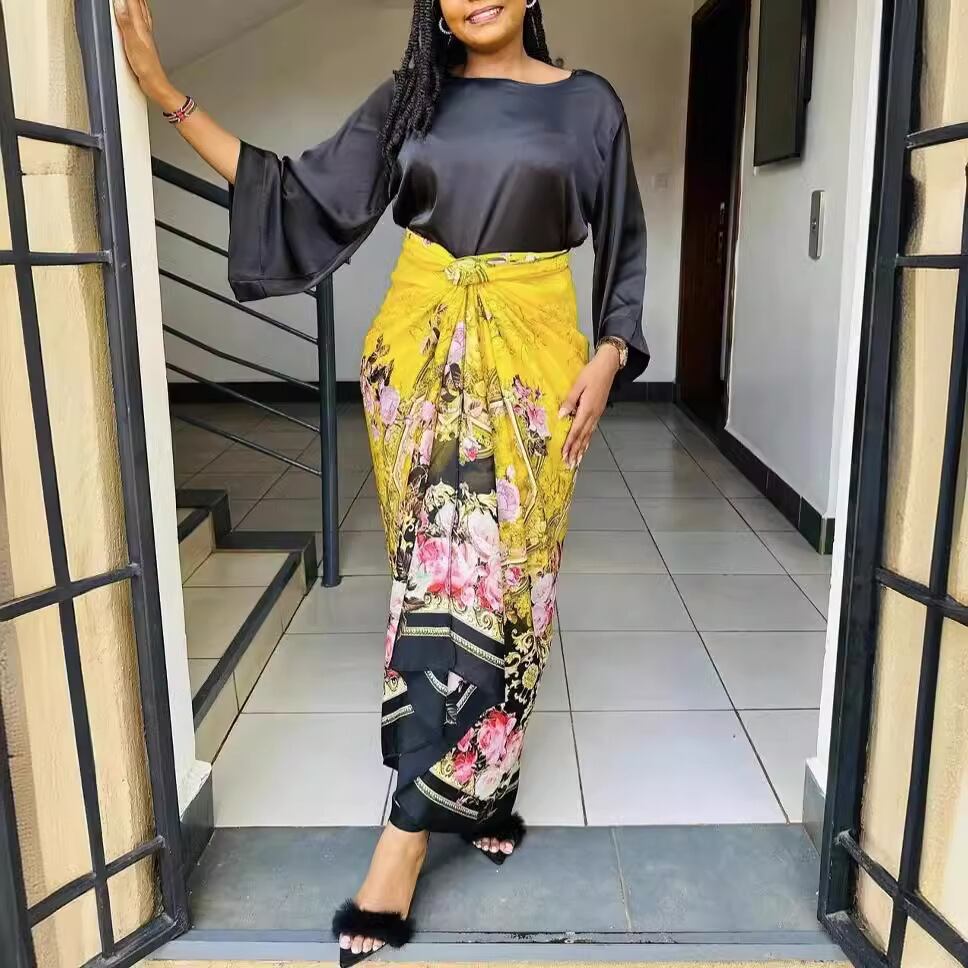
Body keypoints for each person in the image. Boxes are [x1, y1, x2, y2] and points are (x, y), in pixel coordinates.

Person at [114, 0, 649, 962]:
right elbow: (296, 196)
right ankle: (405, 837)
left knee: (514, 587)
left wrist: (611, 352)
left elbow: (624, 242)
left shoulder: (590, 105)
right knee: (440, 586)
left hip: (534, 368)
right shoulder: (411, 99)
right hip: (419, 360)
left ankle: (485, 786)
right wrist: (165, 95)